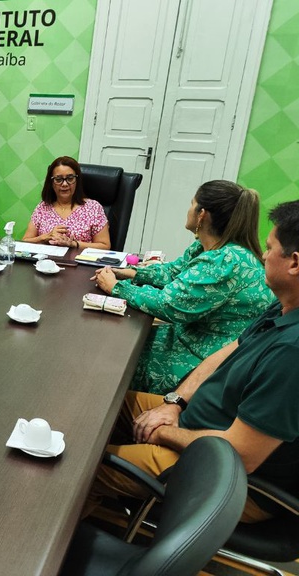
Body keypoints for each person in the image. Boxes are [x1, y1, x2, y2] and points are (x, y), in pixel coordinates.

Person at [87, 200, 299, 524]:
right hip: (193, 424)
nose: (263, 256)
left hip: (221, 473)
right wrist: (174, 403)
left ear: (294, 263)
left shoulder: (291, 353)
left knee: (79, 469)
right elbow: (225, 353)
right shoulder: (284, 307)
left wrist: (165, 433)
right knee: (96, 404)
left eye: (270, 249)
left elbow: (239, 455)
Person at [92, 180, 274, 394]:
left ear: (202, 214)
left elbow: (169, 304)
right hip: (194, 336)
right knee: (117, 344)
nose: (188, 209)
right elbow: (173, 272)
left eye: (192, 203)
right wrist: (132, 273)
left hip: (206, 361)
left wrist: (117, 288)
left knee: (111, 361)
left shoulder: (223, 262)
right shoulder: (210, 248)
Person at [22, 156, 110, 250]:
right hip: (46, 259)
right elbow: (25, 241)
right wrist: (45, 237)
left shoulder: (93, 208)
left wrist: (74, 244)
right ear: (51, 183)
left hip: (78, 259)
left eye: (70, 178)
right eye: (58, 179)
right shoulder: (43, 207)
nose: (64, 184)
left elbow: (105, 246)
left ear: (77, 181)